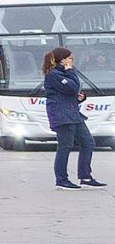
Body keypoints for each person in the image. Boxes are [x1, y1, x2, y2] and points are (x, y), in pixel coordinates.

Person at [43, 47, 101, 190]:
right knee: (65, 147)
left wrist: (80, 98)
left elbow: (69, 93)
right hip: (62, 117)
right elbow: (72, 88)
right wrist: (70, 71)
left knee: (88, 142)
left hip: (73, 115)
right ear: (62, 60)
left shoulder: (63, 74)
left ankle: (85, 176)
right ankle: (61, 179)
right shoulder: (54, 75)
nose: (72, 61)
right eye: (70, 58)